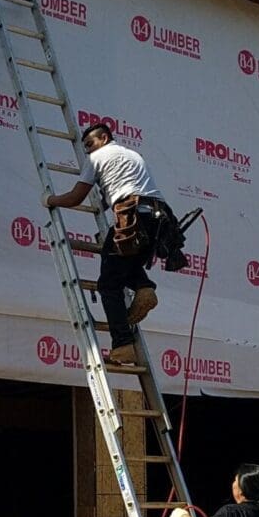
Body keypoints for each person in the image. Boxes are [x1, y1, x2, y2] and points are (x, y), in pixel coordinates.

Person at [43, 122, 184, 367]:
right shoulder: (133, 155)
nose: (87, 150)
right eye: (85, 147)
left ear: (104, 138)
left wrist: (50, 200)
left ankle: (123, 346)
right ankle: (144, 288)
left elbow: (77, 197)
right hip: (159, 220)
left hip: (131, 218)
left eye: (90, 144)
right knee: (125, 265)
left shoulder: (98, 157)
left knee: (108, 284)